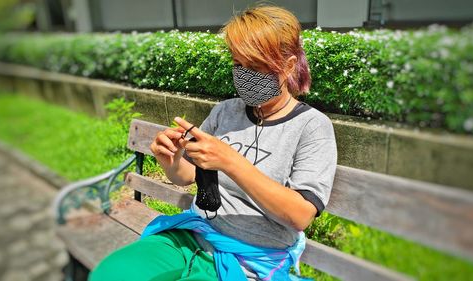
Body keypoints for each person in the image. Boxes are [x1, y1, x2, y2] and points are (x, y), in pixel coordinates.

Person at [89, 4, 337, 281]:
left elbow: (300, 215)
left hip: (249, 259)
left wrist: (231, 162)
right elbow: (187, 176)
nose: (244, 74)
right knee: (109, 274)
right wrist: (170, 161)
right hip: (193, 235)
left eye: (255, 66)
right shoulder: (226, 111)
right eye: (238, 64)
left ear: (288, 65)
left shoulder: (312, 126)